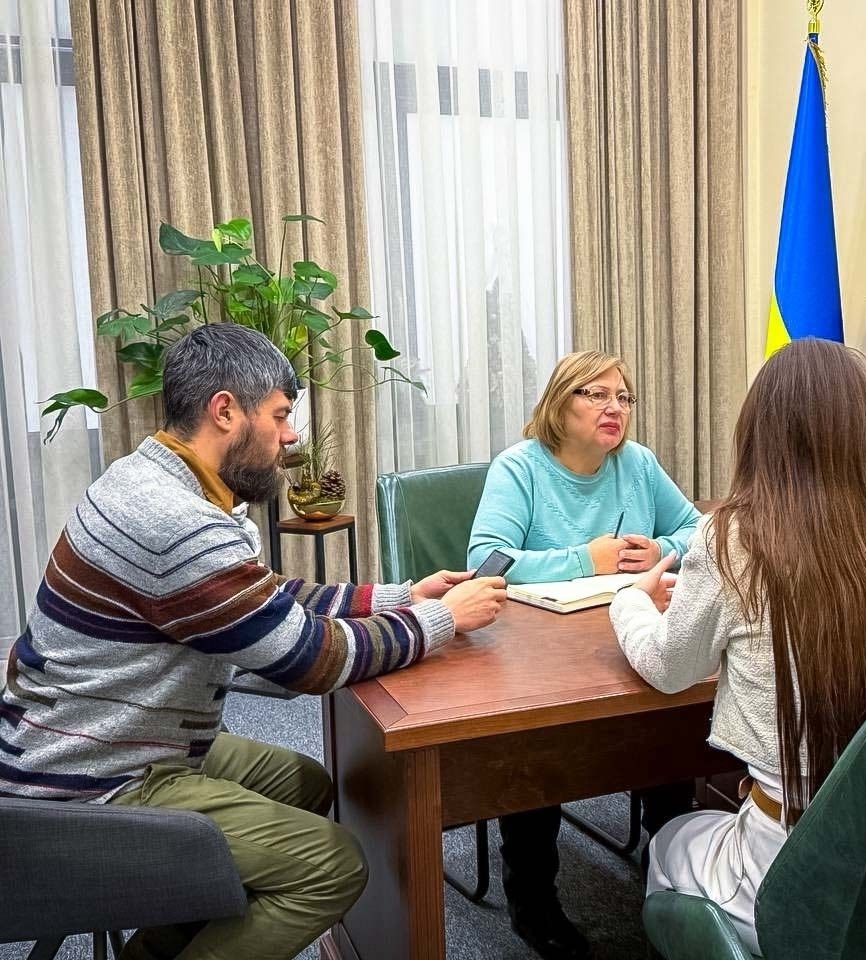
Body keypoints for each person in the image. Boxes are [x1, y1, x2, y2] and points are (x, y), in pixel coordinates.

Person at [0, 324, 507, 960]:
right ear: (225, 411)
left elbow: (262, 598)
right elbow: (311, 659)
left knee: (305, 783)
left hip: (98, 739)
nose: (291, 435)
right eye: (281, 414)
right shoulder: (176, 521)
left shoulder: (151, 477)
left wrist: (403, 597)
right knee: (331, 867)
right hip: (88, 782)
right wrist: (441, 621)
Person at [609, 338, 866, 954]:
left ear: (759, 430)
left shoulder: (734, 536)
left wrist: (630, 603)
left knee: (667, 844)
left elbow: (668, 667)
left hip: (790, 865)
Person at [468, 349, 700, 959]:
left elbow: (697, 529)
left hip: (628, 639)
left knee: (672, 714)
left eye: (622, 397)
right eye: (596, 394)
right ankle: (532, 900)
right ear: (559, 403)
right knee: (540, 748)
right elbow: (485, 561)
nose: (613, 407)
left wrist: (661, 550)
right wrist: (584, 559)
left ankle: (668, 865)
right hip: (536, 653)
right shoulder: (520, 467)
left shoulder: (637, 463)